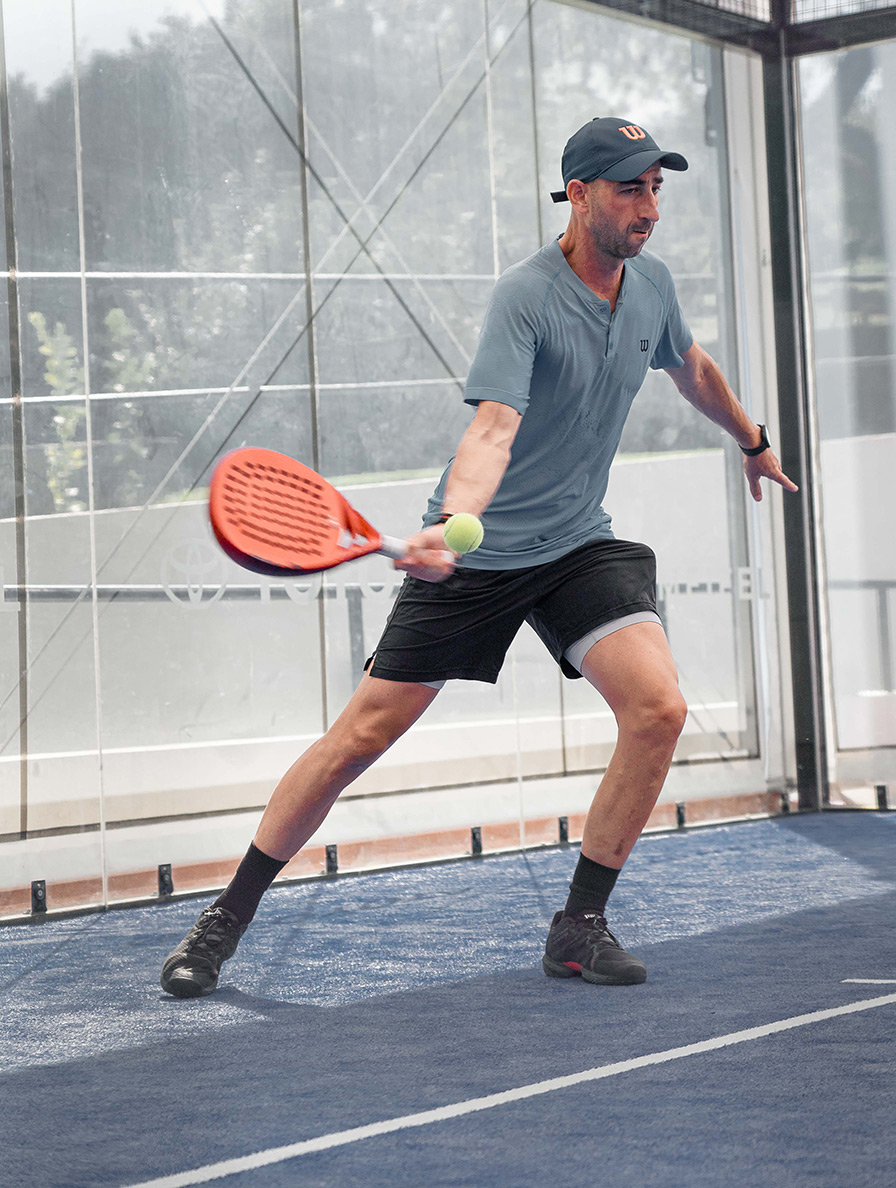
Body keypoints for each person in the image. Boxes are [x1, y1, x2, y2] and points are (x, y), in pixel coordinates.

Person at [161, 115, 797, 997]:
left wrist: (752, 439)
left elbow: (688, 365)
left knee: (658, 709)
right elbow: (493, 427)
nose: (649, 206)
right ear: (579, 194)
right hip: (477, 554)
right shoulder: (525, 297)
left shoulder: (651, 284)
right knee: (360, 738)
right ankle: (224, 918)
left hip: (577, 543)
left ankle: (578, 926)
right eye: (630, 188)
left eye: (657, 187)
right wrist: (453, 523)